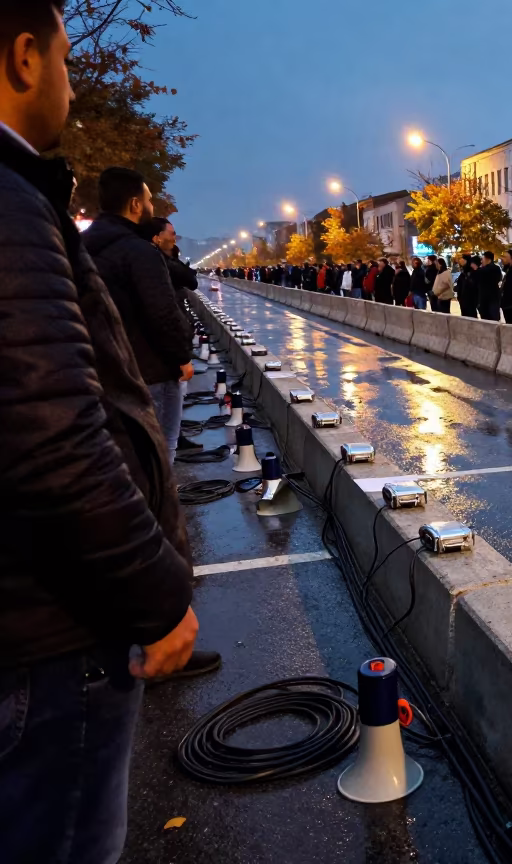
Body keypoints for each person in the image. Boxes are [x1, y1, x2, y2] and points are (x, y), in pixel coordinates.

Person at [0, 5, 202, 860]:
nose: (75, 84)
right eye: (68, 60)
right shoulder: (12, 207)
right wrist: (158, 597)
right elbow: (53, 439)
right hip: (51, 630)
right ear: (22, 59)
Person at [84, 168, 193, 465]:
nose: (151, 207)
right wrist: (182, 358)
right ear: (135, 204)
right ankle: (162, 509)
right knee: (160, 453)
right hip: (151, 369)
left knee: (126, 458)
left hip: (103, 368)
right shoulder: (139, 252)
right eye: (148, 200)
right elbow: (161, 312)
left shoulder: (80, 245)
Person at [149, 216, 203, 456]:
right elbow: (164, 311)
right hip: (162, 357)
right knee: (165, 430)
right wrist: (182, 356)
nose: (174, 238)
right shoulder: (154, 261)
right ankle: (165, 488)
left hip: (158, 354)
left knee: (166, 423)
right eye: (171, 234)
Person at [477, 251, 503, 321]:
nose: (482, 261)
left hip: (487, 299)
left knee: (488, 319)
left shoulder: (483, 270)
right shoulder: (497, 268)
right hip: (494, 297)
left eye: (483, 259)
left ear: (487, 259)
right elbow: (499, 279)